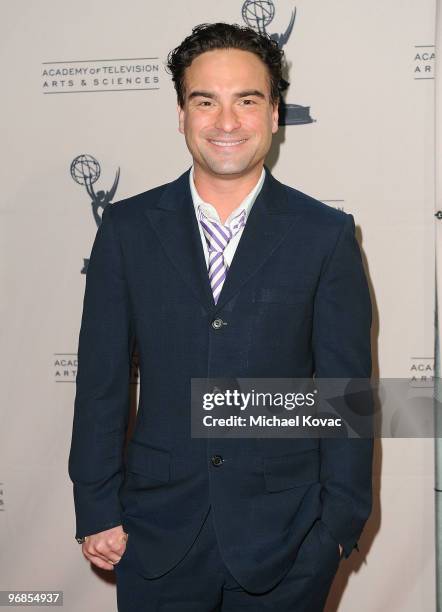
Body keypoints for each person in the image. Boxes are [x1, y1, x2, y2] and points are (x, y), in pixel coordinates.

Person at [68, 22, 373, 611]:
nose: (226, 122)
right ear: (181, 115)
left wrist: (336, 528)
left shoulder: (325, 235)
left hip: (289, 538)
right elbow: (100, 384)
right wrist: (97, 507)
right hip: (155, 532)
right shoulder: (127, 230)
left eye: (246, 100)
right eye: (205, 101)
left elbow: (346, 394)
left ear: (275, 114)